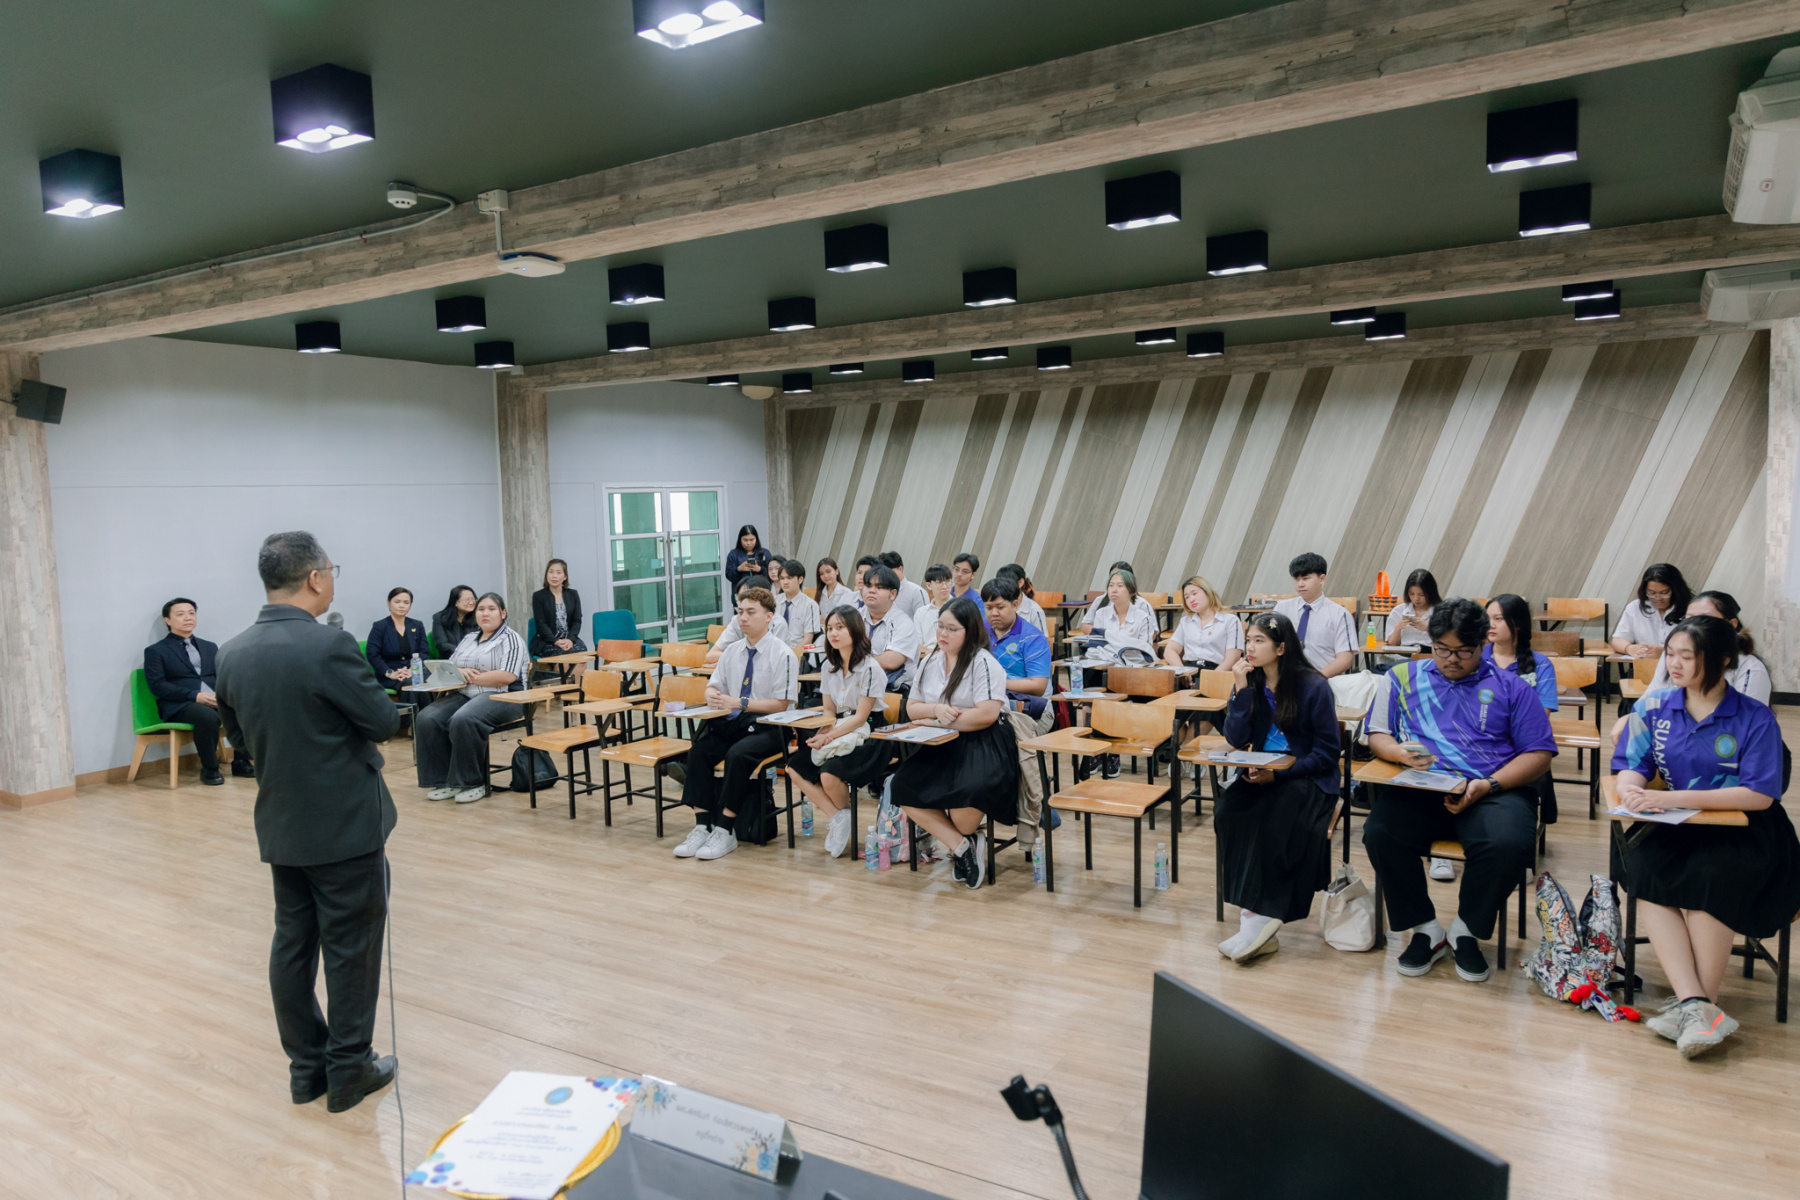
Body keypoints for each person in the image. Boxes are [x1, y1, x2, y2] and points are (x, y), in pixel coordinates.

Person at [214, 531, 399, 1113]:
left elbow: (240, 741)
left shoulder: (231, 652)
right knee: (351, 950)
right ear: (316, 577)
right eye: (331, 571)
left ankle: (306, 1069)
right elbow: (383, 721)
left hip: (281, 823)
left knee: (292, 946)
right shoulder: (329, 645)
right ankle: (349, 1070)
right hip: (344, 827)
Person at [1613, 615, 1800, 1059]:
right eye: (1670, 654)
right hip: (1678, 824)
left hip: (1747, 831)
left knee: (1710, 878)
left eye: (1687, 656)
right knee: (1644, 871)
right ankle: (1696, 1004)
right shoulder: (1654, 706)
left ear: (1722, 661)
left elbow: (1758, 795)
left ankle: (1700, 1006)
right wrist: (1630, 788)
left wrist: (1669, 797)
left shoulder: (1754, 716)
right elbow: (1631, 764)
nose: (1673, 664)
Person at [1361, 599, 1555, 983]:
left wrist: (1489, 784)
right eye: (1442, 649)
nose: (1451, 659)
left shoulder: (1512, 687)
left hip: (1492, 789)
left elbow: (1539, 754)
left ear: (1483, 643)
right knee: (1380, 833)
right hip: (1423, 787)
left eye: (1463, 651)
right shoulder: (1401, 677)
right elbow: (1377, 734)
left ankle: (1465, 929)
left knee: (1509, 844)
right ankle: (1426, 928)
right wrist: (1399, 753)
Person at [1215, 612, 1342, 963]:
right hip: (1264, 771)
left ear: (1281, 648)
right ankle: (1253, 913)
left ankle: (1260, 917)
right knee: (1228, 811)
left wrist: (1280, 775)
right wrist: (1240, 690)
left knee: (1277, 817)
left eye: (1260, 641)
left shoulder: (1313, 685)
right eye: (1248, 640)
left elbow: (1328, 753)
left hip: (1307, 776)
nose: (1250, 648)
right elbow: (1235, 739)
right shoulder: (1250, 682)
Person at [892, 597, 1021, 890]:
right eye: (940, 626)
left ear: (970, 631)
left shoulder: (983, 662)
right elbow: (912, 708)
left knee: (965, 814)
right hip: (940, 741)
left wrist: (937, 721)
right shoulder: (930, 661)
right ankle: (962, 846)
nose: (943, 634)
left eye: (952, 629)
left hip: (983, 740)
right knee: (901, 787)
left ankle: (965, 837)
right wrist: (936, 710)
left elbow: (986, 715)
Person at [672, 587, 799, 862]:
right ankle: (702, 826)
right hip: (735, 723)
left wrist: (740, 702)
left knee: (738, 755)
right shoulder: (732, 651)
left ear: (769, 616)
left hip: (770, 727)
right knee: (698, 752)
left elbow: (782, 704)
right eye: (740, 612)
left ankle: (725, 828)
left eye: (751, 612)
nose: (743, 618)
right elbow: (713, 686)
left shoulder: (783, 654)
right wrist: (711, 695)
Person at [785, 606, 891, 857]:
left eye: (840, 627)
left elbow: (861, 717)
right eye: (829, 628)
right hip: (840, 726)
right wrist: (822, 734)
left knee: (829, 775)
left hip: (871, 731)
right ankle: (839, 817)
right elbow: (830, 711)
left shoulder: (870, 667)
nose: (833, 633)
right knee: (794, 767)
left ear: (855, 630)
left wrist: (830, 736)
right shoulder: (828, 667)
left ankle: (844, 819)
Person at [411, 593, 529, 803]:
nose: (485, 613)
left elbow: (507, 676)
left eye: (491, 609)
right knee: (427, 718)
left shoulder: (511, 639)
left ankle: (473, 782)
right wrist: (461, 672)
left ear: (502, 613)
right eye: (481, 609)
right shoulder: (468, 639)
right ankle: (444, 780)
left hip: (506, 696)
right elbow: (452, 667)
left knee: (464, 718)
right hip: (466, 693)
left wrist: (471, 677)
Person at [145, 597, 254, 785]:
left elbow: (221, 676)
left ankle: (241, 762)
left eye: (191, 613)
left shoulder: (209, 646)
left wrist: (221, 694)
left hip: (213, 699)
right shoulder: (156, 651)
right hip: (181, 704)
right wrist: (195, 696)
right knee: (207, 716)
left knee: (246, 708)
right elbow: (158, 685)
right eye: (180, 614)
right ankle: (210, 769)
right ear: (167, 620)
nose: (188, 618)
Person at [1618, 590, 1770, 722]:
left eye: (1705, 619)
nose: (1695, 626)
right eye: (1689, 618)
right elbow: (1649, 704)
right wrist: (1633, 720)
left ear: (1731, 624)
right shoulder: (1671, 657)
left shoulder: (1750, 667)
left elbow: (1746, 722)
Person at [983, 576, 1052, 727]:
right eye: (988, 608)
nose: (994, 613)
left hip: (1032, 710)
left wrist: (994, 683)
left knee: (991, 733)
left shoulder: (1033, 638)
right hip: (990, 704)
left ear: (1015, 605)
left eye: (1000, 607)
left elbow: (1038, 687)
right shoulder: (979, 632)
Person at [1272, 553, 1355, 677]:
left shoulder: (1340, 614)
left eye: (1306, 578)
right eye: (1296, 579)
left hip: (1324, 680)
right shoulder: (1281, 609)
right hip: (1285, 679)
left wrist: (1315, 681)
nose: (1300, 584)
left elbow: (1345, 660)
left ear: (1322, 579)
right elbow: (1270, 642)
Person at [1163, 574, 1244, 672]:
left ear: (1208, 592)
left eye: (1194, 593)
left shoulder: (1230, 620)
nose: (1191, 599)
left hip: (1217, 671)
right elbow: (1169, 651)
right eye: (1187, 597)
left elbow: (1233, 658)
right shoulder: (1185, 621)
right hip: (1189, 671)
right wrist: (1182, 671)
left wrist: (1210, 678)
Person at [862, 565, 920, 697]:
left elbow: (891, 661)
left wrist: (854, 664)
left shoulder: (903, 623)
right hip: (858, 685)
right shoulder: (854, 617)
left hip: (892, 690)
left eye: (879, 587)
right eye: (868, 585)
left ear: (892, 594)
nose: (872, 591)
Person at [1611, 562, 1690, 660]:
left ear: (1676, 590)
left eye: (1664, 593)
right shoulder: (1635, 607)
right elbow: (1618, 639)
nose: (1658, 598)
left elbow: (1700, 647)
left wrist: (1666, 653)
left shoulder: (1691, 608)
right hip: (1645, 666)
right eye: (1651, 593)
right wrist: (1630, 648)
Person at [706, 578, 792, 666]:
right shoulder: (738, 619)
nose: (742, 600)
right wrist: (727, 663)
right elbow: (711, 656)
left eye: (749, 596)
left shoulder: (778, 624)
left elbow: (769, 661)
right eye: (739, 596)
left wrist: (726, 662)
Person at [530, 558, 586, 682]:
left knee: (581, 657)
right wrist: (555, 641)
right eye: (551, 572)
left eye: (558, 572)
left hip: (569, 639)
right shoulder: (538, 596)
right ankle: (562, 692)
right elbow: (541, 623)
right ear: (546, 575)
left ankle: (575, 692)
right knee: (563, 660)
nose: (554, 576)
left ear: (565, 577)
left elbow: (577, 621)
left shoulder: (573, 594)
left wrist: (570, 639)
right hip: (547, 640)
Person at [365, 587, 429, 695]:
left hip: (414, 671)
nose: (401, 606)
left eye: (406, 603)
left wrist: (412, 670)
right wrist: (390, 673)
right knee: (410, 684)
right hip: (391, 674)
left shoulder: (417, 625)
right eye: (397, 602)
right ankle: (416, 707)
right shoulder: (380, 626)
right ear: (388, 603)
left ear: (410, 605)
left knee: (433, 680)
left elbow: (424, 652)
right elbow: (373, 655)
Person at [1383, 569, 1440, 650]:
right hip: (1404, 653)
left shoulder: (1440, 611)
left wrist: (1428, 628)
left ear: (1431, 592)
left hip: (1430, 653)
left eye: (1421, 594)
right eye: (1411, 594)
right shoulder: (1398, 611)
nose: (1416, 598)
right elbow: (1392, 645)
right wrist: (1398, 628)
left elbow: (1449, 642)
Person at [772, 559, 820, 650]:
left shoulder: (810, 605)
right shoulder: (773, 601)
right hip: (773, 650)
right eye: (782, 578)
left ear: (800, 579)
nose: (785, 582)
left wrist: (791, 654)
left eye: (789, 578)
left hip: (797, 652)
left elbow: (808, 640)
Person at [996, 564, 1048, 635]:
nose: (1003, 588)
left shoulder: (1035, 610)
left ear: (1020, 583)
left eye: (1007, 583)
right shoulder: (993, 607)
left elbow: (1041, 639)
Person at [878, 551, 930, 620]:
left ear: (900, 569)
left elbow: (924, 620)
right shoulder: (878, 591)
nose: (886, 576)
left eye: (890, 572)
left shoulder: (917, 592)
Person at [431, 585, 478, 658]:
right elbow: (442, 644)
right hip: (450, 660)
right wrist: (462, 652)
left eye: (473, 599)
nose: (471, 602)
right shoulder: (440, 618)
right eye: (467, 599)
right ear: (455, 602)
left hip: (473, 659)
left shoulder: (478, 618)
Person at [726, 525, 775, 594]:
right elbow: (729, 576)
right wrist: (739, 569)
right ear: (740, 539)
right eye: (745, 540)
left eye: (752, 540)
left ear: (756, 539)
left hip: (761, 593)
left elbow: (772, 574)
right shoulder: (733, 554)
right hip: (741, 593)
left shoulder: (765, 553)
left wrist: (760, 569)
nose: (748, 543)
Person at [915, 563, 954, 644]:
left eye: (948, 581)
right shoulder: (921, 613)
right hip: (926, 652)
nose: (945, 586)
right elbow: (917, 644)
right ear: (929, 585)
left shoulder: (960, 608)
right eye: (939, 582)